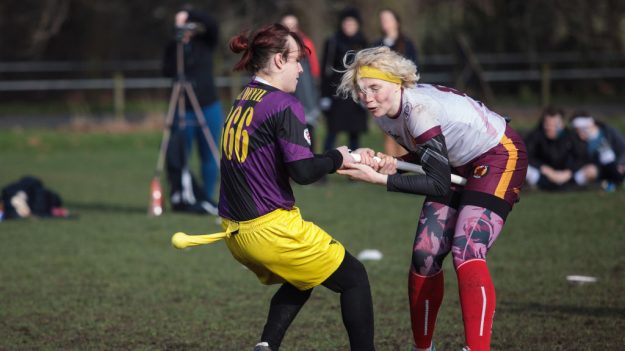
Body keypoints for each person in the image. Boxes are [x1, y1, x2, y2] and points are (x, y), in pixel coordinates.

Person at [179, 24, 376, 351]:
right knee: (354, 278)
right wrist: (336, 157)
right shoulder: (283, 104)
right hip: (269, 230)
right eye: (298, 60)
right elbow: (303, 171)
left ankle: (267, 345)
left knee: (304, 277)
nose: (302, 69)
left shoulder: (244, 97)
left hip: (234, 231)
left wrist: (344, 159)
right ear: (279, 61)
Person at [334, 46, 528, 351]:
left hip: (498, 154)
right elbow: (431, 153)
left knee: (467, 248)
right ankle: (423, 348)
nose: (367, 97)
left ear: (397, 83)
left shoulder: (419, 110)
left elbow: (436, 183)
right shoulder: (384, 112)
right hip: (454, 162)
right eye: (361, 90)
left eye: (374, 88)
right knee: (425, 255)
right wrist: (394, 161)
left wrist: (381, 178)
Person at [162, 7, 223, 207]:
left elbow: (213, 26)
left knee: (210, 154)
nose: (186, 30)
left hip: (208, 105)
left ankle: (207, 197)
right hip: (183, 107)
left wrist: (190, 13)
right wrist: (176, 41)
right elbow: (166, 70)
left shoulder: (204, 43)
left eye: (188, 26)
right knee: (180, 154)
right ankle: (183, 194)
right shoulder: (174, 47)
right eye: (181, 27)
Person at [320, 7, 368, 152]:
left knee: (355, 136)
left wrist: (366, 94)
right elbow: (325, 70)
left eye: (352, 23)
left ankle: (354, 169)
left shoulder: (363, 42)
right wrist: (325, 96)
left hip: (356, 95)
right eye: (346, 23)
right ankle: (325, 167)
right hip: (337, 94)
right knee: (332, 133)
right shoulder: (333, 41)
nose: (349, 26)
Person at [373, 8, 419, 157]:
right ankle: (392, 168)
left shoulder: (407, 44)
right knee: (389, 133)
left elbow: (413, 68)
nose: (385, 23)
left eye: (388, 19)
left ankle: (403, 167)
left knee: (404, 133)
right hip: (382, 95)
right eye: (382, 20)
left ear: (396, 22)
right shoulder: (376, 44)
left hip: (403, 94)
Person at [524, 107, 595, 191]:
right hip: (542, 177)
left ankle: (578, 187)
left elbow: (581, 158)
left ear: (562, 124)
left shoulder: (571, 136)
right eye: (548, 124)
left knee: (592, 170)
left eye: (555, 124)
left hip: (568, 178)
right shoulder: (535, 136)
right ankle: (532, 187)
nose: (551, 127)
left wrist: (568, 173)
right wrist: (547, 170)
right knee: (522, 168)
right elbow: (527, 156)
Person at [280, 12, 322, 152]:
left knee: (308, 135)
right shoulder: (276, 46)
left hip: (305, 96)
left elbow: (314, 70)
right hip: (285, 98)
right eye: (287, 26)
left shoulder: (307, 43)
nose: (291, 29)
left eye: (293, 25)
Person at [570, 112, 625, 190]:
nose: (580, 133)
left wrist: (621, 163)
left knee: (608, 157)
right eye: (577, 130)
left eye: (582, 128)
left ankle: (616, 181)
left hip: (617, 165)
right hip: (598, 169)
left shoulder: (608, 131)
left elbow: (623, 148)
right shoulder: (579, 141)